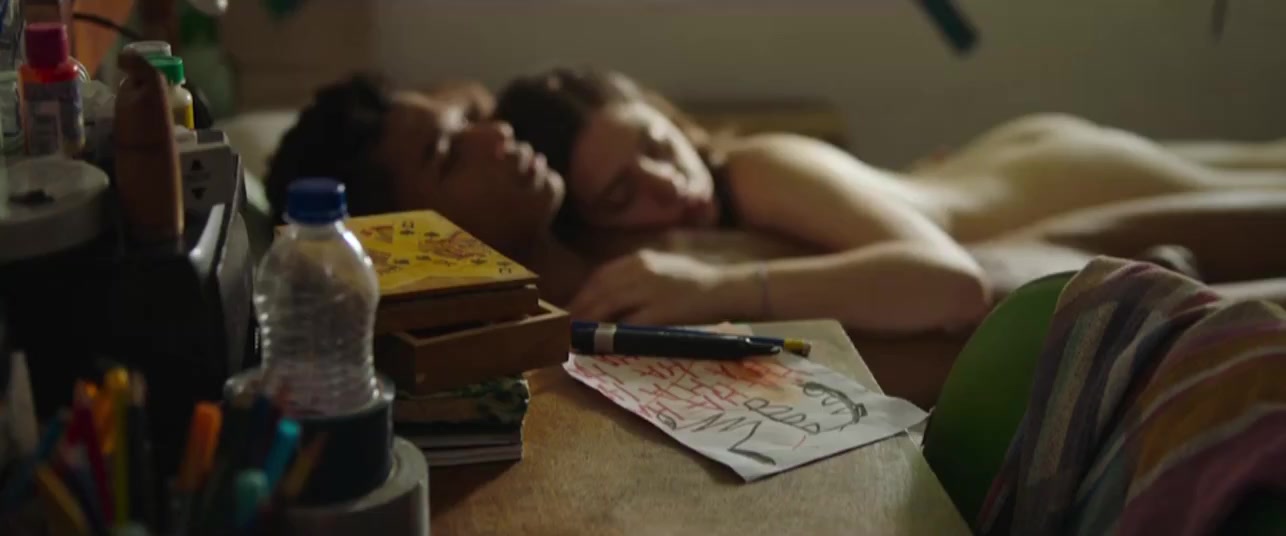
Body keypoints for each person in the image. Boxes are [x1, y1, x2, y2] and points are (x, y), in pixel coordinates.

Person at [494, 67, 1286, 332]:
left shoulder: (757, 168)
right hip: (1021, 179)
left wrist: (717, 288)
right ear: (590, 225)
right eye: (623, 194)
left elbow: (950, 282)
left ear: (669, 116)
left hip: (1071, 177)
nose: (667, 184)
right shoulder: (719, 214)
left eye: (657, 146)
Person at [264, 74, 589, 303]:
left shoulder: (599, 182)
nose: (499, 132)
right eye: (450, 158)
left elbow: (469, 92)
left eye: (466, 122)